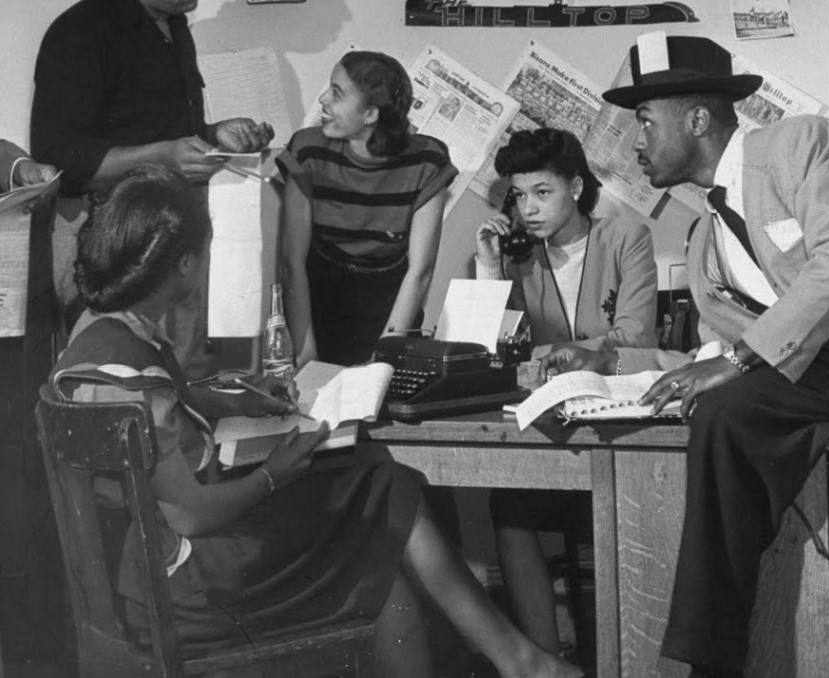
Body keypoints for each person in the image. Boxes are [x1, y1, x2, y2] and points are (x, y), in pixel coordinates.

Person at [543, 34, 829, 678]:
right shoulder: (705, 244)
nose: (633, 142)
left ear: (697, 119)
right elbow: (716, 354)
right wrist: (606, 365)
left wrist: (740, 358)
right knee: (725, 414)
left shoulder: (800, 144)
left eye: (643, 121)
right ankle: (711, 652)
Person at [48, 164, 582, 678]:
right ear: (184, 264)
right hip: (188, 584)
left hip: (136, 575)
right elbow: (192, 515)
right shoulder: (134, 366)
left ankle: (517, 660)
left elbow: (161, 407)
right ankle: (518, 660)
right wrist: (276, 471)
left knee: (380, 528)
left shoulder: (99, 335)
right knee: (381, 485)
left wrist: (232, 402)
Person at [30, 0, 274, 355]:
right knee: (115, 382)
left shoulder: (172, 26)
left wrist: (213, 134)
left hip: (166, 241)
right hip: (108, 248)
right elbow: (57, 160)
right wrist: (164, 157)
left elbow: (157, 129)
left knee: (170, 385)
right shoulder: (78, 33)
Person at [475, 127, 658, 655]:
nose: (528, 208)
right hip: (552, 427)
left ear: (576, 187)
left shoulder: (625, 238)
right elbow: (496, 352)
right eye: (519, 195)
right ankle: (544, 658)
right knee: (507, 506)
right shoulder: (520, 257)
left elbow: (637, 338)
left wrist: (559, 352)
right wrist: (490, 266)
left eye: (542, 192)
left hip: (617, 423)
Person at [277, 51, 457, 367]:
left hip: (391, 309)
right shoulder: (307, 151)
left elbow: (420, 271)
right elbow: (293, 261)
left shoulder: (427, 161)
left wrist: (383, 361)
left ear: (370, 114)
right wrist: (306, 355)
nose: (323, 99)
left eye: (337, 93)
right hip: (318, 306)